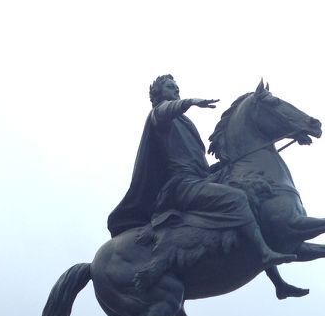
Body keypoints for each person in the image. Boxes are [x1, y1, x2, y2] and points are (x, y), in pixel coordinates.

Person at [107, 75, 295, 268]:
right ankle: (264, 254)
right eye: (171, 87)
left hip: (199, 180)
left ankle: (278, 282)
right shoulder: (159, 115)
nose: (176, 90)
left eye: (177, 87)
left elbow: (196, 162)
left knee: (250, 193)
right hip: (182, 186)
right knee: (237, 198)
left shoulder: (184, 122)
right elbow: (164, 110)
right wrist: (190, 102)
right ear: (159, 94)